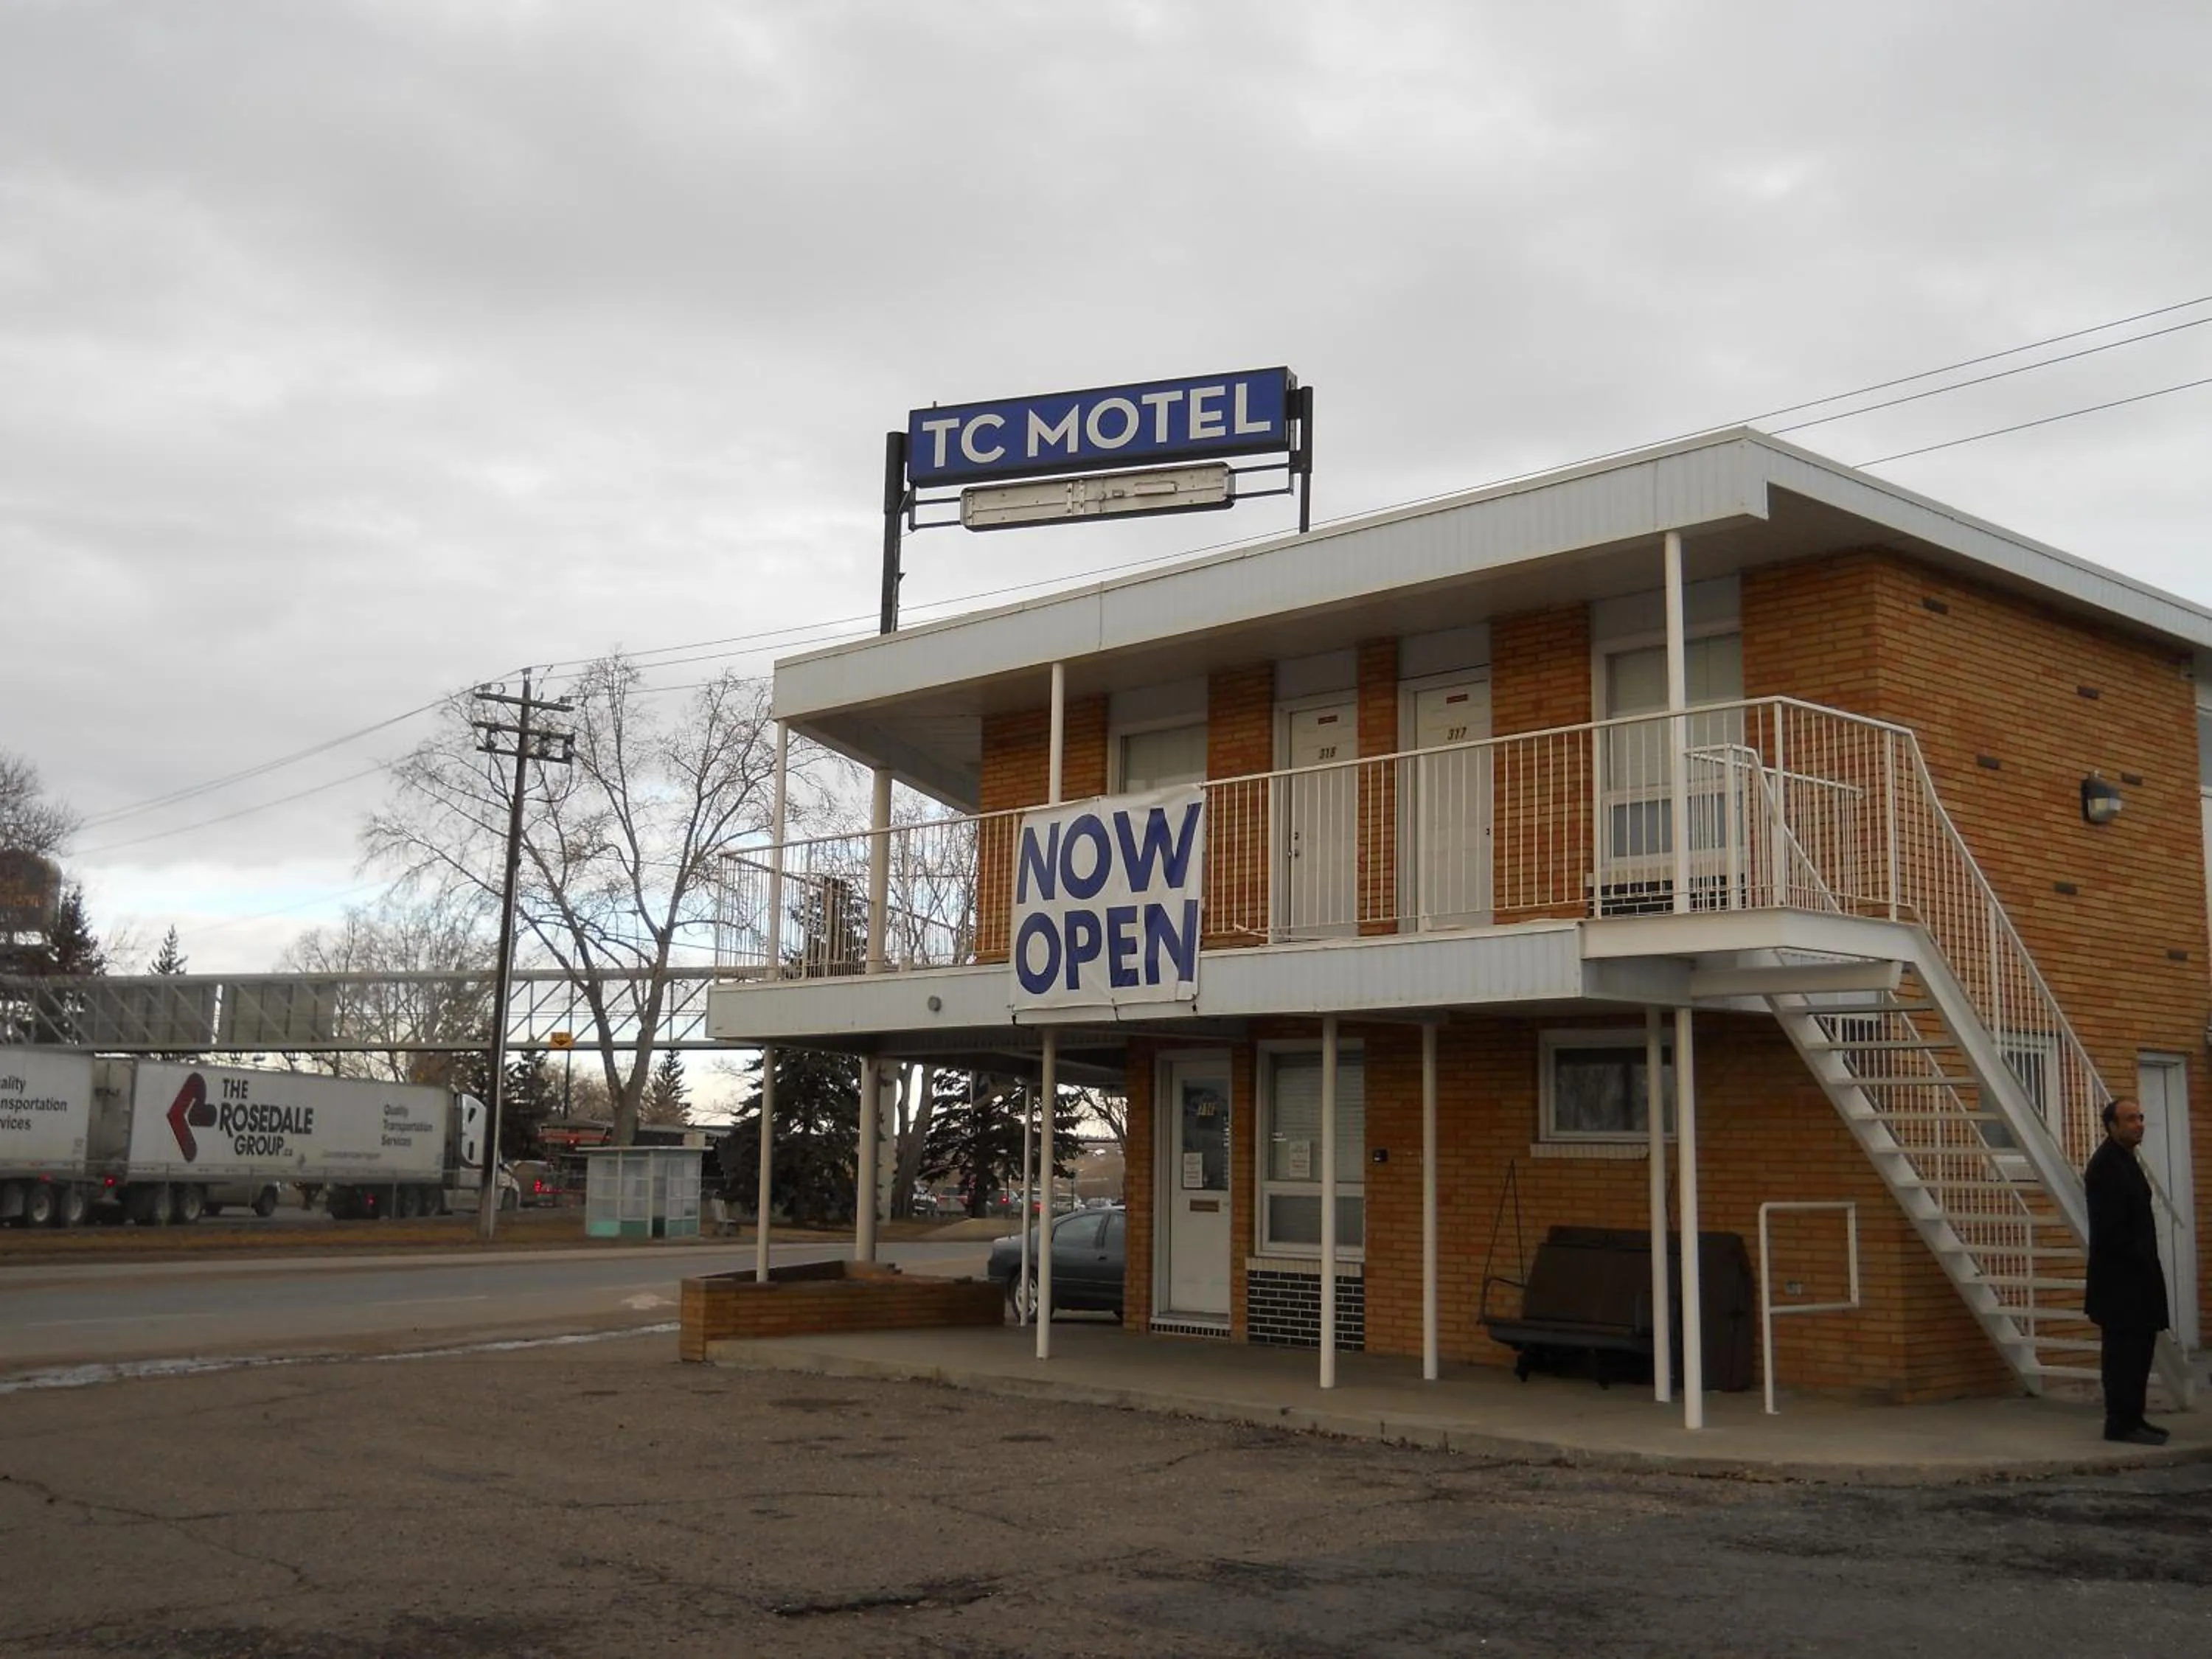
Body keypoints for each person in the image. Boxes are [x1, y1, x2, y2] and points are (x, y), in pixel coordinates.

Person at [2083, 1096, 2171, 1445]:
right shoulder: (2106, 1166)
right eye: (2130, 1119)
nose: (2139, 1124)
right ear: (2112, 1126)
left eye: (2141, 1117)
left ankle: (2135, 1417)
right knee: (2122, 1355)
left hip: (2138, 1278)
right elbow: (2112, 1230)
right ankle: (2119, 1421)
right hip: (2121, 1281)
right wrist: (2137, 1260)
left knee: (2139, 1353)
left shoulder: (2126, 1161)